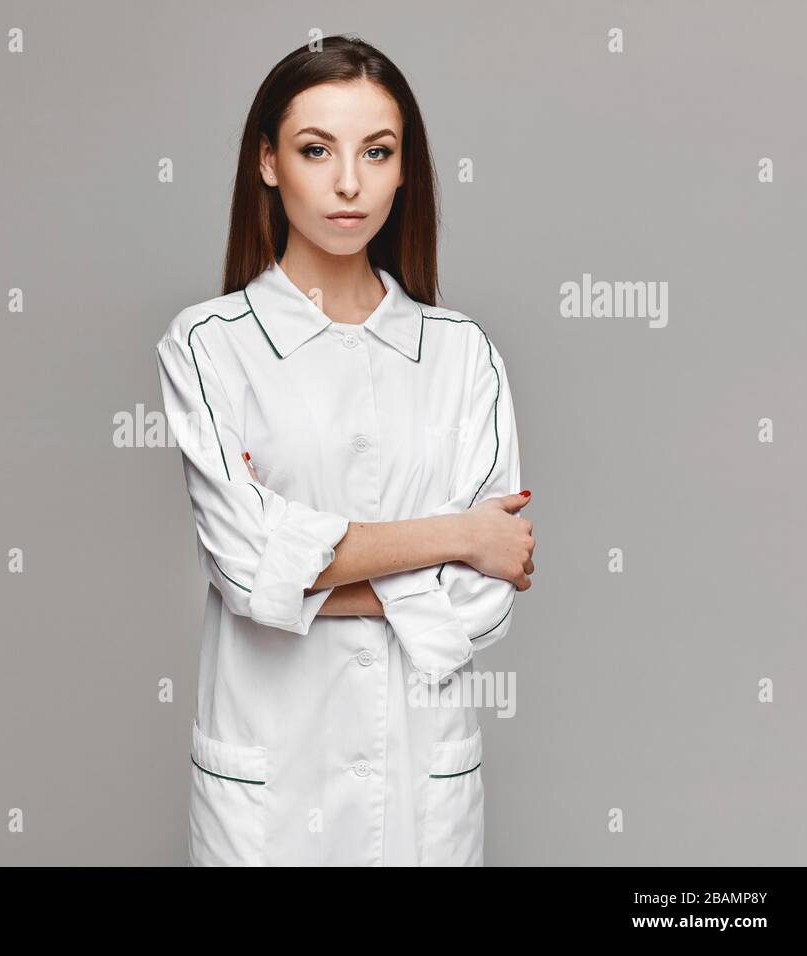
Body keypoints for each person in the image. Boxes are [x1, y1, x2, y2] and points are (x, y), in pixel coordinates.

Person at [154, 35, 535, 866]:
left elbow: (486, 597)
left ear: (406, 172)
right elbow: (244, 564)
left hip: (420, 777)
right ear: (267, 162)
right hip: (269, 783)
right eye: (316, 150)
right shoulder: (209, 346)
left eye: (378, 151)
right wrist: (454, 535)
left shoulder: (463, 352)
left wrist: (294, 576)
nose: (349, 182)